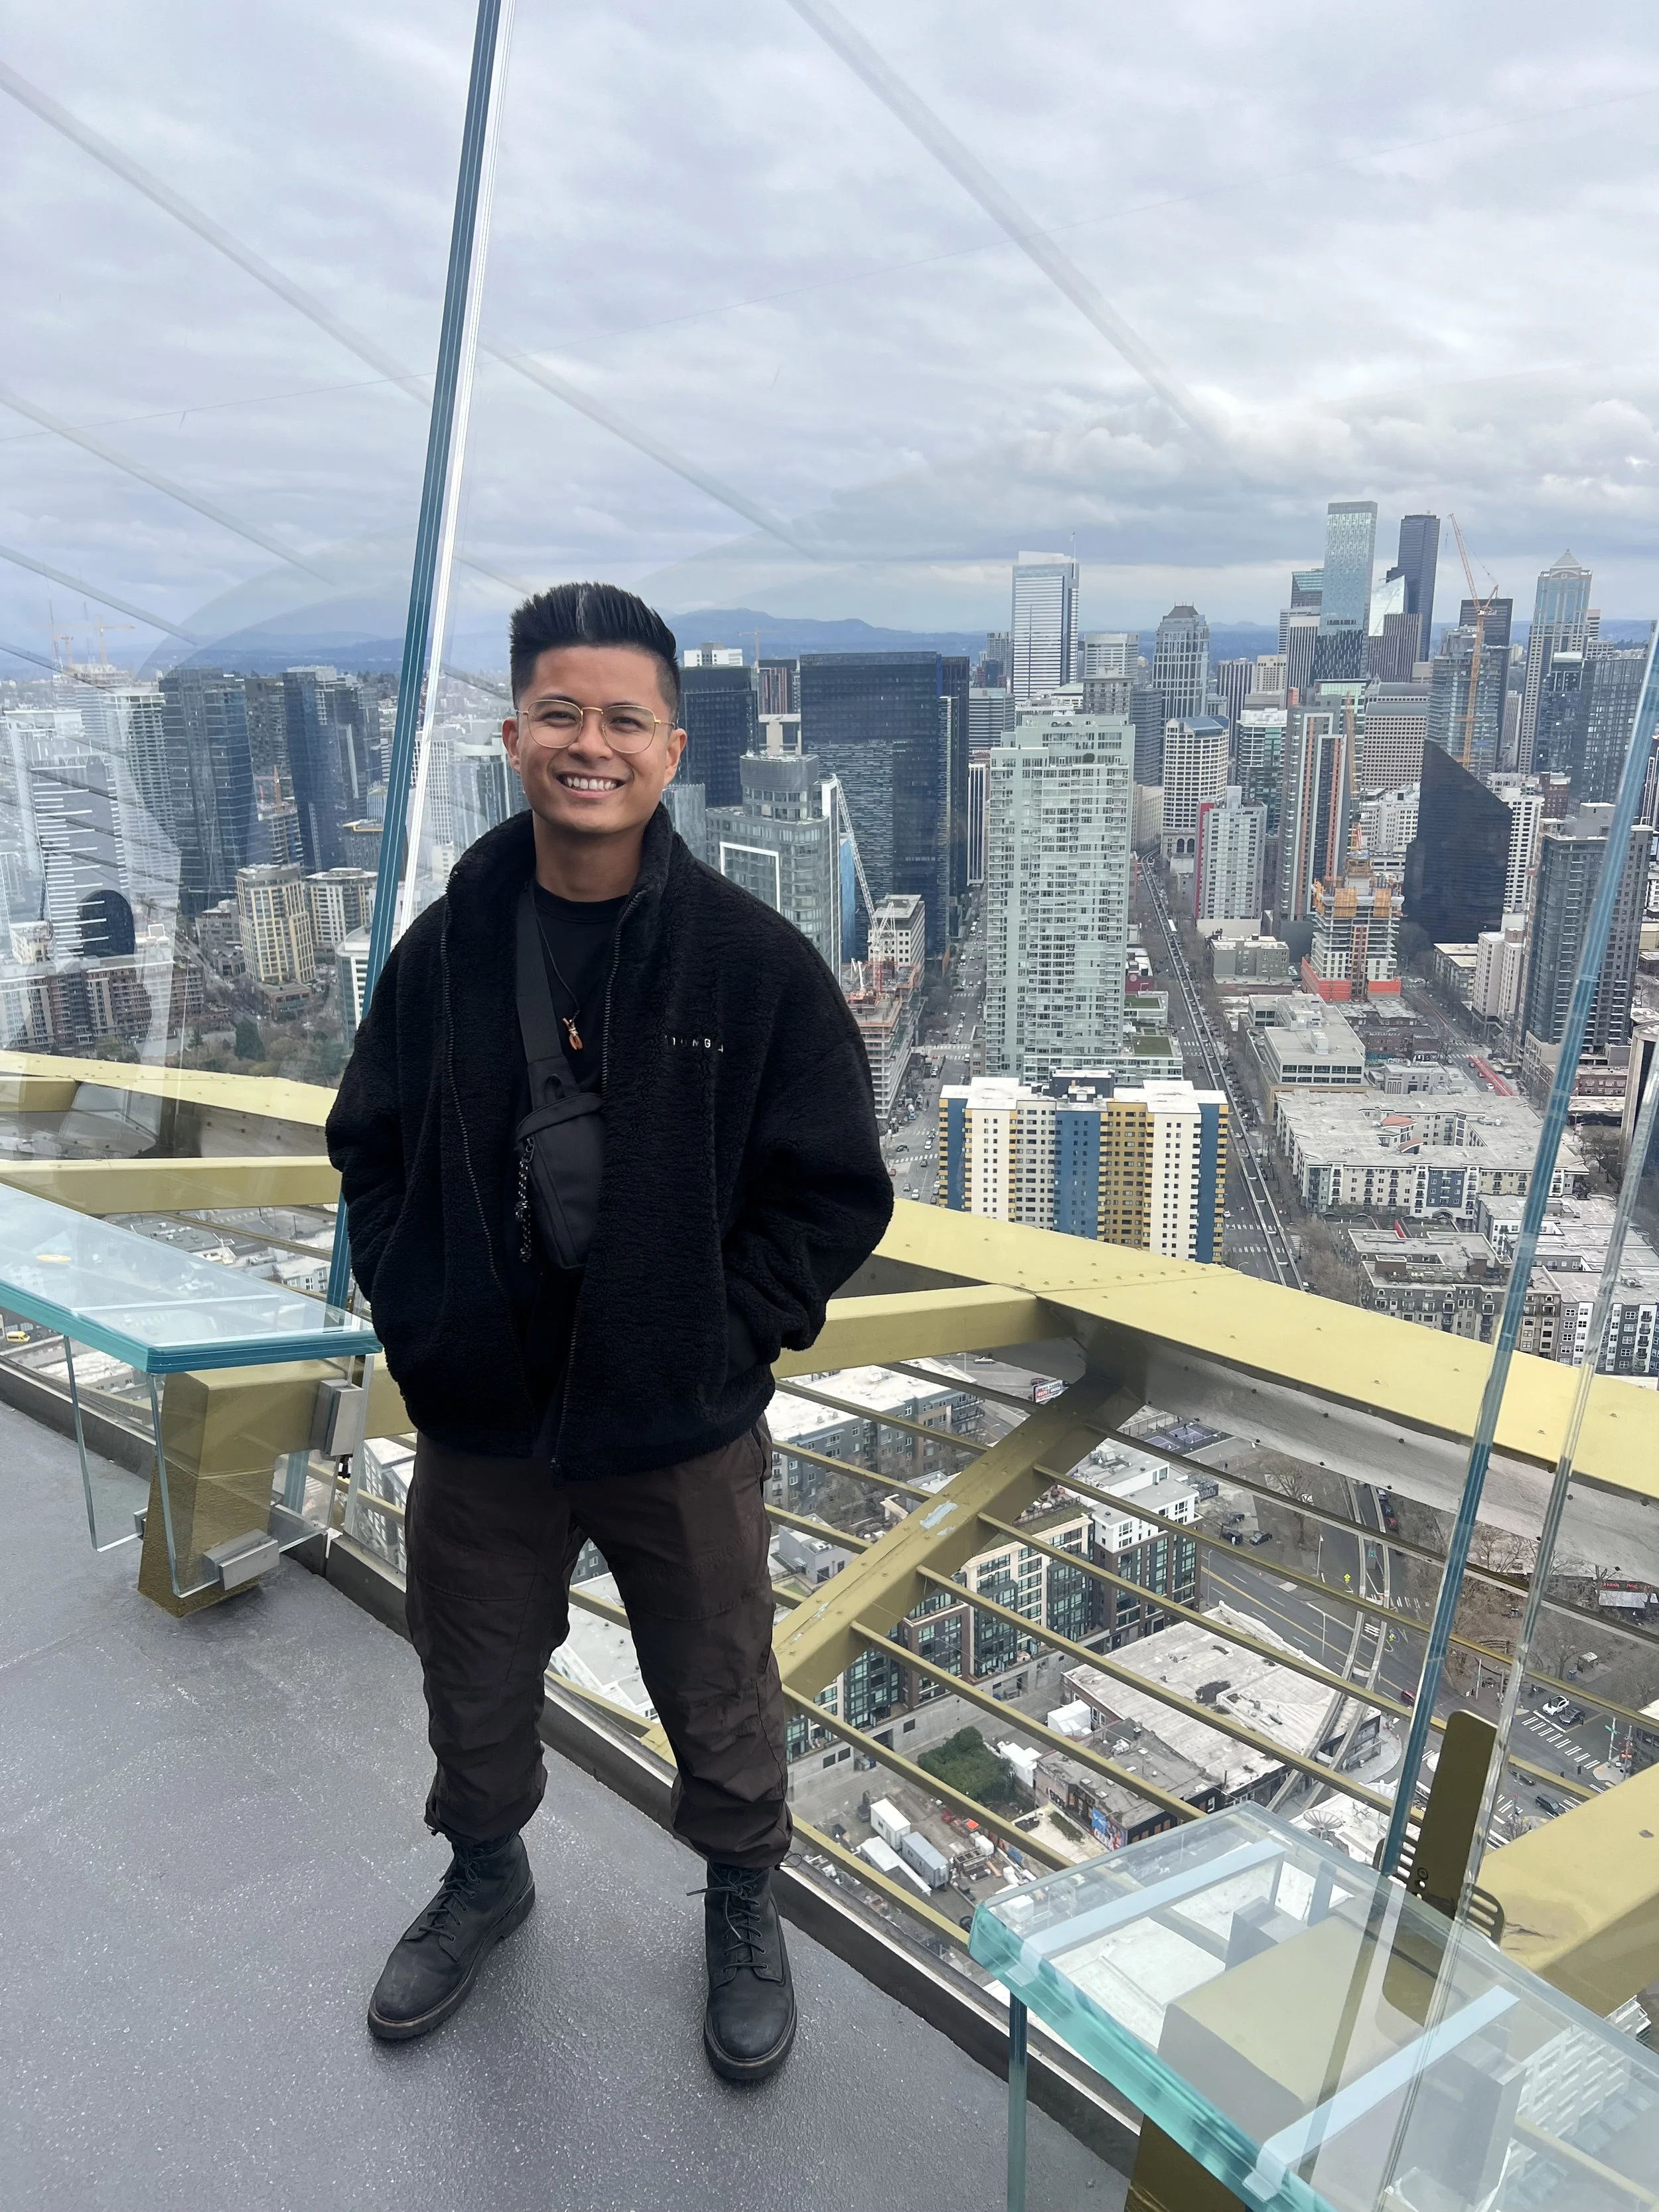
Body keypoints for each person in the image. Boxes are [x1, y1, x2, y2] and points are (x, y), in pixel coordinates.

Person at [327, 582, 893, 2079]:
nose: (591, 744)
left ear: (670, 746)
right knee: (471, 1668)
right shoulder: (445, 952)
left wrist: (727, 1338)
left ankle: (739, 1893)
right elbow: (367, 1146)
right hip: (483, 1419)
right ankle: (485, 1871)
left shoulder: (750, 962)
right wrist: (420, 1313)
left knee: (717, 1676)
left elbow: (835, 1189)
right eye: (561, 715)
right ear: (513, 738)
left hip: (675, 1423)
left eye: (622, 718)